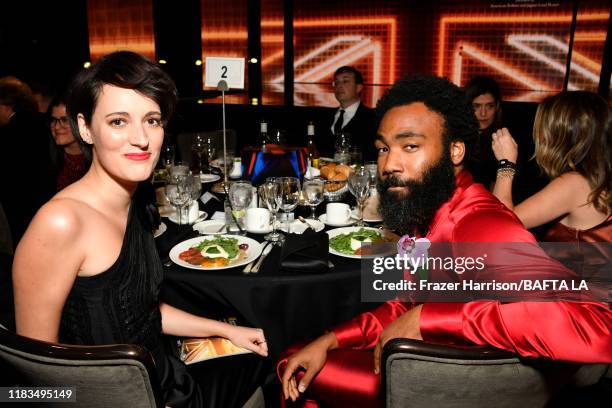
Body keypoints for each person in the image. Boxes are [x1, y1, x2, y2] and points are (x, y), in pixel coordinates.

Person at [279, 75, 611, 407]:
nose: (389, 164)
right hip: (432, 365)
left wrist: (433, 319)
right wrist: (334, 339)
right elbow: (404, 304)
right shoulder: (425, 211)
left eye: (410, 146)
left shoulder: (480, 224)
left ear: (455, 151)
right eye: (383, 148)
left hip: (461, 384)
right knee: (303, 355)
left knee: (289, 365)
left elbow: (599, 321)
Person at [12, 51, 268, 408]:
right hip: (123, 399)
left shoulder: (134, 202)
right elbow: (37, 374)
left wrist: (226, 329)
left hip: (165, 381)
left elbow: (143, 313)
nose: (142, 139)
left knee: (264, 358)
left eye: (152, 120)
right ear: (85, 128)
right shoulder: (61, 222)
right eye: (118, 121)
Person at [491, 91, 611, 242]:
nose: (539, 136)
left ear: (561, 135)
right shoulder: (598, 176)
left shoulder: (574, 183)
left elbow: (498, 223)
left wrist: (505, 163)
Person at [0, 76, 55, 248]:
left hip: (21, 210)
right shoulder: (41, 122)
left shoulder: (9, 133)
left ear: (7, 104)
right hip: (45, 205)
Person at [317, 66, 377, 161]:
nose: (339, 86)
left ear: (358, 87)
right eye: (336, 82)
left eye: (345, 81)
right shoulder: (324, 117)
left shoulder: (372, 118)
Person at [47, 94, 88, 191]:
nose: (56, 127)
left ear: (82, 122)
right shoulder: (45, 159)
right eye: (54, 120)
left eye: (64, 120)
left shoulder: (99, 160)